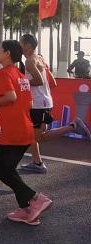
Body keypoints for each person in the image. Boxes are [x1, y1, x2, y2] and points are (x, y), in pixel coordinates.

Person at [0, 40, 52, 225]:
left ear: (7, 53)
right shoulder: (20, 74)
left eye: (0, 50)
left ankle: (35, 199)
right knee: (8, 170)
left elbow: (10, 97)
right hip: (24, 129)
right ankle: (28, 211)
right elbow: (29, 102)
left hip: (12, 130)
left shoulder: (4, 73)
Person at [19, 34, 90, 173]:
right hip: (44, 101)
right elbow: (53, 83)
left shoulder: (29, 61)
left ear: (27, 45)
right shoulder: (40, 58)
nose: (19, 46)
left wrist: (20, 83)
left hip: (38, 104)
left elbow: (38, 81)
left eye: (21, 44)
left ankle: (73, 126)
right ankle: (37, 162)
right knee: (33, 135)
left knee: (38, 137)